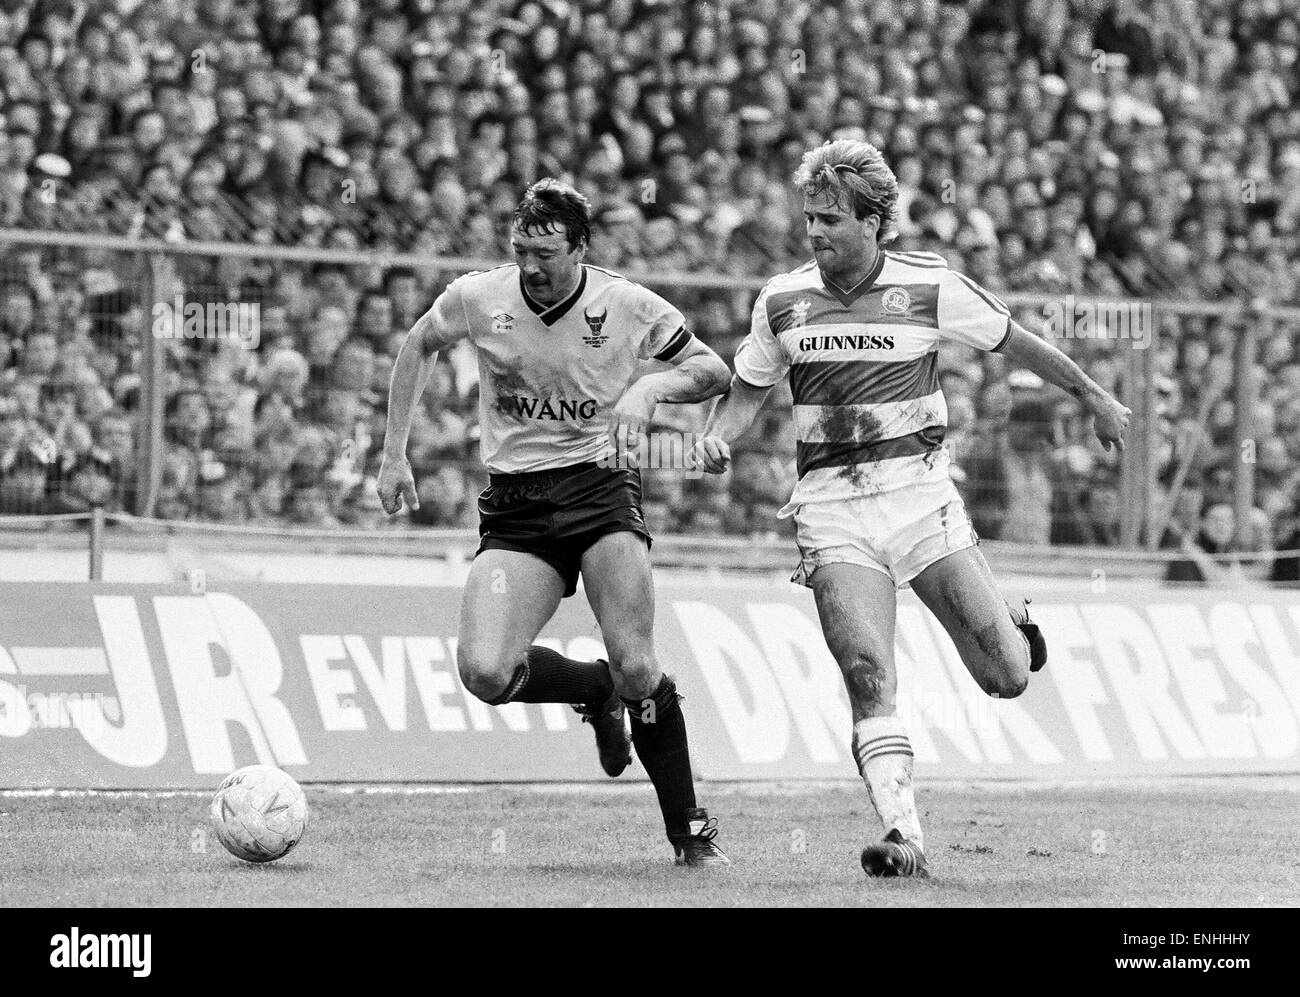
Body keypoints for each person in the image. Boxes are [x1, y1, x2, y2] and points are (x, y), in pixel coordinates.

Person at [695, 140, 1130, 877]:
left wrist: (1092, 394)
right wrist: (717, 436)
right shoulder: (781, 299)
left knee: (1007, 676)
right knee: (867, 672)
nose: (815, 232)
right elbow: (747, 389)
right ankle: (905, 837)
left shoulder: (929, 286)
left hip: (922, 503)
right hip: (831, 509)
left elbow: (1016, 344)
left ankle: (1013, 621)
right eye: (809, 217)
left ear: (874, 222)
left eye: (830, 218)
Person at [377, 178, 733, 867]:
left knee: (637, 661)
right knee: (484, 671)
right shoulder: (480, 296)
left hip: (600, 491)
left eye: (547, 254)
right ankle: (592, 691)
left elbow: (711, 369)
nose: (532, 267)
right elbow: (419, 343)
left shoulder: (624, 304)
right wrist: (394, 453)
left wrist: (650, 387)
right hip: (517, 505)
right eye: (521, 251)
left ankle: (689, 833)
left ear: (581, 249)